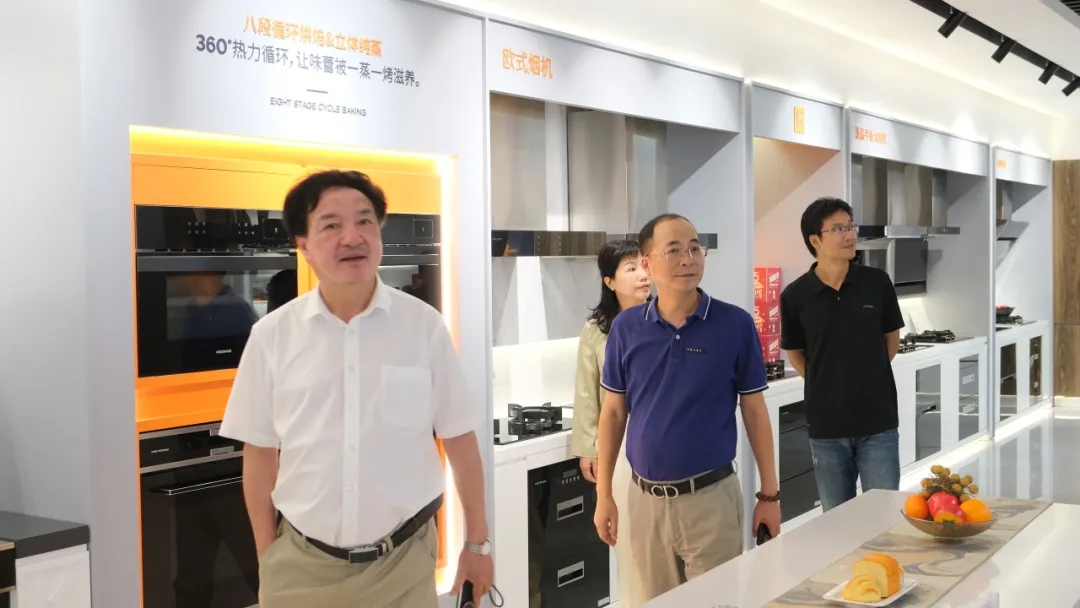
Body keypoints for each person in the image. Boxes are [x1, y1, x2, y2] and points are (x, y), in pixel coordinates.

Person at [220, 169, 493, 607]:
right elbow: (259, 452)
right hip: (301, 568)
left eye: (365, 221)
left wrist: (477, 543)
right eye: (331, 225)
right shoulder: (273, 336)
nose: (352, 236)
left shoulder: (422, 326)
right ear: (304, 246)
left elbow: (459, 438)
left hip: (403, 564)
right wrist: (267, 554)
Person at [592, 213, 781, 603]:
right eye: (674, 250)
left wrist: (770, 495)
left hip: (711, 501)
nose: (688, 259)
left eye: (695, 249)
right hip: (643, 502)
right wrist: (604, 494)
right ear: (647, 264)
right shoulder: (627, 328)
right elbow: (612, 414)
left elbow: (755, 413)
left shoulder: (735, 324)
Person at [780, 197, 904, 511]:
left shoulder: (876, 283)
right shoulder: (796, 295)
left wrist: (865, 375)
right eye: (838, 229)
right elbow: (796, 352)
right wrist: (826, 381)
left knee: (883, 512)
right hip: (827, 426)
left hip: (877, 421)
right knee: (836, 518)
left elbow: (891, 339)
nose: (849, 235)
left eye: (850, 227)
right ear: (815, 240)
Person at [570, 239, 651, 607]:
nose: (643, 274)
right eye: (631, 268)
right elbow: (587, 391)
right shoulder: (596, 330)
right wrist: (588, 448)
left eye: (644, 265)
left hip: (657, 437)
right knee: (629, 540)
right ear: (610, 282)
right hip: (617, 443)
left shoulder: (664, 318)